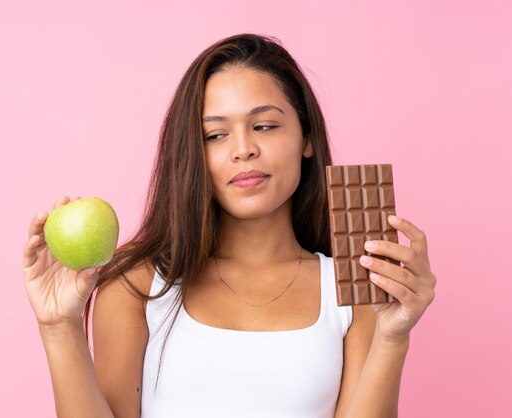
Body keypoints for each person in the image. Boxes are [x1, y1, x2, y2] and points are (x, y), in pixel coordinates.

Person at [22, 33, 436, 418]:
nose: (243, 150)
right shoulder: (138, 284)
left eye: (264, 126)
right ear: (192, 154)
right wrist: (59, 328)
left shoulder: (356, 290)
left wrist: (392, 335)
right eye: (215, 135)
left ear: (306, 137)